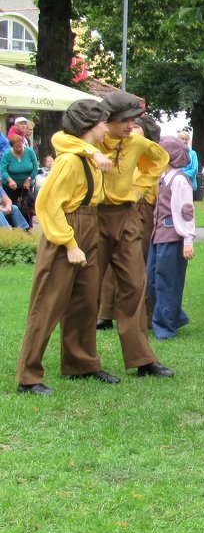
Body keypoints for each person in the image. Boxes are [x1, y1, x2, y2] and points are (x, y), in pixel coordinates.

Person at [53, 91, 174, 379]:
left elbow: (160, 159)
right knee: (87, 290)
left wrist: (142, 188)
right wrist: (92, 152)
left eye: (134, 120)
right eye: (126, 121)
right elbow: (60, 139)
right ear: (107, 121)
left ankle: (143, 359)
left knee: (134, 284)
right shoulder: (90, 140)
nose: (132, 126)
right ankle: (81, 364)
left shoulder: (137, 142)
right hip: (95, 218)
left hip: (128, 217)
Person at [16, 100, 118, 394]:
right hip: (69, 228)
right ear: (89, 126)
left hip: (88, 223)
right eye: (102, 122)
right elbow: (47, 205)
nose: (106, 127)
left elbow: (65, 139)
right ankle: (28, 376)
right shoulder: (70, 160)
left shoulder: (86, 154)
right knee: (48, 303)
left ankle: (81, 363)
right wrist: (69, 243)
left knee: (86, 301)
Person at [146, 137, 196, 340]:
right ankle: (175, 316)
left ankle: (165, 327)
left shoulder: (179, 180)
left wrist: (188, 240)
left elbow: (186, 211)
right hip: (157, 237)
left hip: (172, 237)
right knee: (151, 279)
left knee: (168, 281)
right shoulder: (164, 178)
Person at [2, 133, 38, 217]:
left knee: (27, 206)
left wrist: (29, 179)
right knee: (12, 206)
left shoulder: (30, 152)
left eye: (21, 146)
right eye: (17, 147)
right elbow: (3, 169)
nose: (20, 149)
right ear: (12, 147)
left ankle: (28, 225)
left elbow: (35, 168)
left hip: (27, 185)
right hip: (10, 186)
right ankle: (12, 225)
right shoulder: (7, 155)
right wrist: (10, 180)